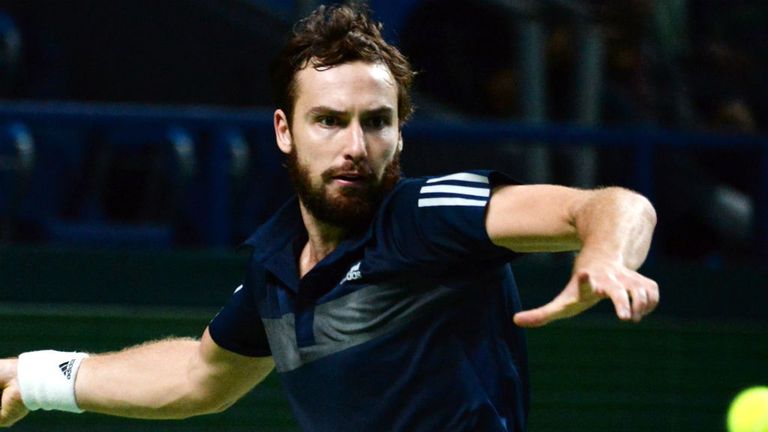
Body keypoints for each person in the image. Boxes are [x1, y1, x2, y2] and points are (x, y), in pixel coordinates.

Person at [0, 4, 658, 431]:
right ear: (285, 131)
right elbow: (198, 376)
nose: (355, 145)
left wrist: (603, 252)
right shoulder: (275, 272)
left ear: (400, 134)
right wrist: (33, 376)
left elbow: (606, 205)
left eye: (377, 123)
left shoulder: (425, 220)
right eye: (329, 121)